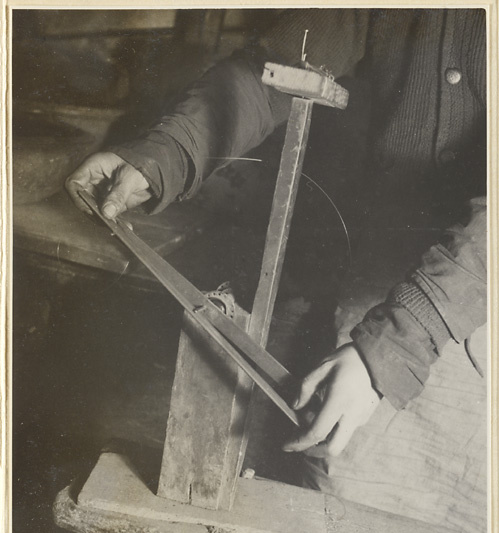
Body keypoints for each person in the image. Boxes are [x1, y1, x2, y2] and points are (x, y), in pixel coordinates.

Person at [66, 9, 486, 480]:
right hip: (371, 312)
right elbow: (272, 71)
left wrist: (389, 351)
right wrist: (162, 157)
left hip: (459, 326)